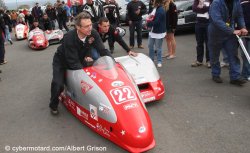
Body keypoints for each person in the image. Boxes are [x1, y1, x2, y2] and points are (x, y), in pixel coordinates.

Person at [49, 12, 111, 115]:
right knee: (58, 84)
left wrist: (112, 63)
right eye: (86, 26)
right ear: (78, 27)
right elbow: (73, 62)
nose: (90, 28)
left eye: (90, 25)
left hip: (80, 58)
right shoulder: (69, 37)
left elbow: (102, 50)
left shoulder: (93, 33)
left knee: (96, 76)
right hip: (62, 60)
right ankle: (53, 105)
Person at [208, 0, 248, 85]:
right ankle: (215, 74)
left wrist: (243, 27)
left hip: (230, 34)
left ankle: (235, 77)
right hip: (216, 33)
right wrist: (232, 30)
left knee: (233, 54)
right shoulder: (216, 2)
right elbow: (217, 20)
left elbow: (240, 16)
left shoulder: (236, 2)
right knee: (214, 55)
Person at [191, 0, 212, 67]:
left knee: (208, 43)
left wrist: (201, 7)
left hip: (208, 23)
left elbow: (210, 8)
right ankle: (199, 60)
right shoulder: (197, 0)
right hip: (198, 24)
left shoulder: (211, 1)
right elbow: (194, 9)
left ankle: (209, 61)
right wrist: (203, 8)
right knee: (199, 43)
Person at [147, 0, 166, 67]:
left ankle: (159, 61)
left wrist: (148, 23)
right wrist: (148, 23)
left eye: (153, 2)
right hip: (152, 31)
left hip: (159, 32)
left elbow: (157, 22)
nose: (152, 3)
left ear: (157, 3)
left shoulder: (160, 10)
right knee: (150, 45)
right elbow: (150, 17)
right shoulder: (154, 9)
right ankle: (151, 59)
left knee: (158, 48)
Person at [240, 0, 250, 80]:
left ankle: (246, 73)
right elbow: (240, 18)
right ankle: (245, 73)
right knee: (245, 54)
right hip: (244, 33)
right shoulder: (243, 5)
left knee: (247, 54)